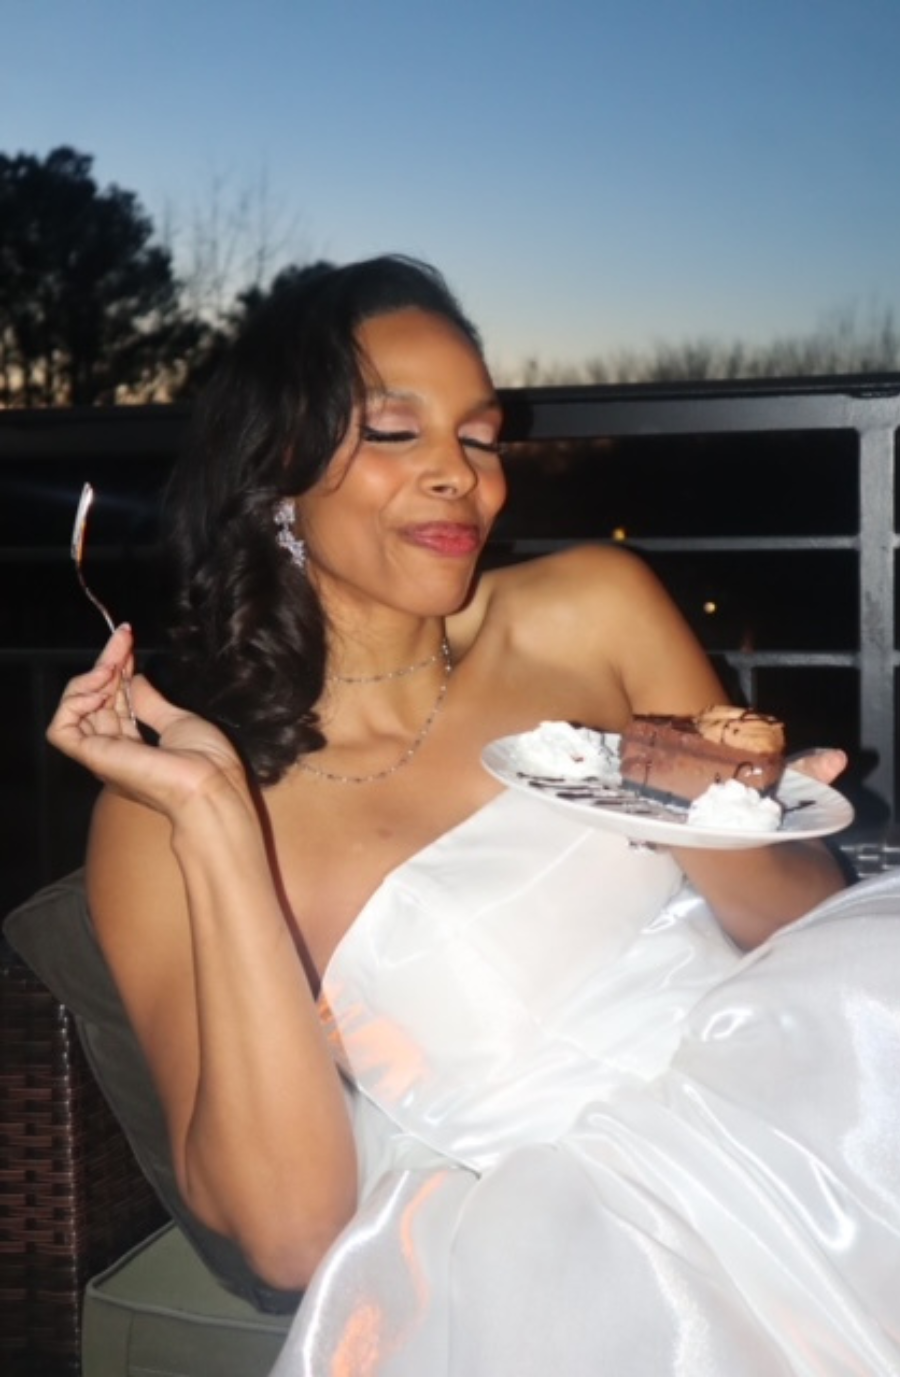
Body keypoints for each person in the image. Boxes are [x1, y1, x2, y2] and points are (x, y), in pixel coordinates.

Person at [48, 256, 900, 1375]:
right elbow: (295, 1237)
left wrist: (735, 815)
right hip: (553, 1258)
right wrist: (216, 826)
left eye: (482, 436)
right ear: (274, 479)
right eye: (397, 434)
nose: (463, 476)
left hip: (803, 1116)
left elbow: (799, 936)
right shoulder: (162, 812)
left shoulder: (592, 610)